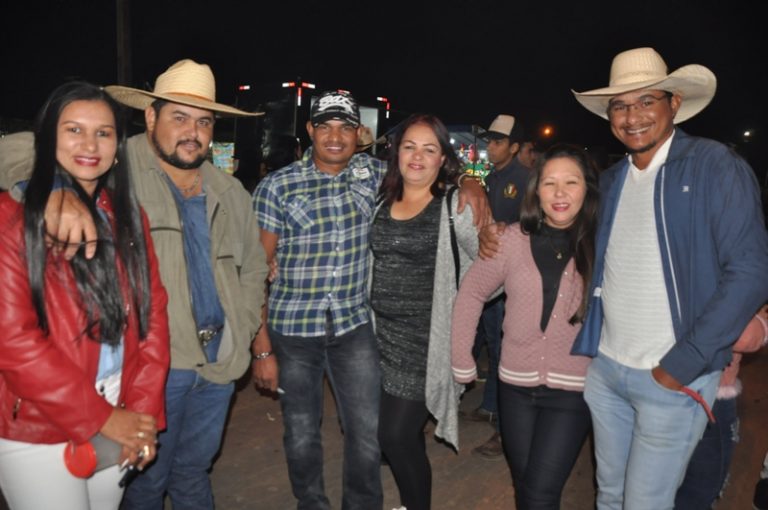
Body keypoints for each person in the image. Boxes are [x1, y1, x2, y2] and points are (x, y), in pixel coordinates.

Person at [0, 59, 269, 509]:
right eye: (179, 117)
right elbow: (18, 147)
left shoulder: (231, 192)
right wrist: (52, 185)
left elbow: (253, 268)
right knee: (144, 486)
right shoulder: (115, 165)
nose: (192, 131)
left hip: (217, 366)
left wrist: (243, 334)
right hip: (154, 368)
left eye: (204, 121)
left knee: (193, 472)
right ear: (150, 116)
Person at [252, 91, 489, 510]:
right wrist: (262, 347)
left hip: (354, 327)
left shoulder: (374, 175)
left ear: (359, 133)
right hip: (294, 330)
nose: (335, 137)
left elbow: (425, 171)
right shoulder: (277, 185)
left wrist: (473, 183)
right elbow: (256, 272)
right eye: (325, 127)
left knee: (367, 431)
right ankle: (312, 503)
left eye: (345, 127)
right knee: (302, 431)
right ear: (310, 130)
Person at [570, 47, 768, 509]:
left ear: (674, 103)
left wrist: (682, 365)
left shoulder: (714, 166)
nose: (632, 116)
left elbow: (751, 271)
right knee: (610, 497)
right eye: (620, 105)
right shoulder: (612, 180)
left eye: (646, 101)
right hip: (608, 373)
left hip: (672, 377)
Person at [0, 81, 170, 510]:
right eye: (73, 129)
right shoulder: (11, 218)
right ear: (46, 138)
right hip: (38, 420)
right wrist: (103, 418)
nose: (90, 144)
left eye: (104, 132)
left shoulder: (128, 216)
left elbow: (152, 317)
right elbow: (14, 343)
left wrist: (141, 417)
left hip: (121, 403)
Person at [452, 143, 599, 509]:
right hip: (514, 387)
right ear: (536, 190)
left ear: (588, 189)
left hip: (573, 390)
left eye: (571, 182)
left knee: (540, 493)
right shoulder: (510, 239)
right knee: (525, 486)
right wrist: (461, 358)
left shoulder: (603, 244)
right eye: (550, 183)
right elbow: (472, 292)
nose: (560, 193)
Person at [371, 114, 479, 510]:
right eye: (409, 147)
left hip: (426, 344)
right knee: (395, 434)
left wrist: (461, 309)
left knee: (396, 436)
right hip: (377, 339)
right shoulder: (380, 199)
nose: (417, 157)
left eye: (429, 149)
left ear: (442, 159)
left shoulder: (456, 206)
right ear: (396, 152)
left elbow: (491, 270)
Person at [464, 114, 534, 459]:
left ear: (515, 147)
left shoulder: (526, 180)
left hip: (514, 281)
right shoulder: (490, 178)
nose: (490, 147)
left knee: (508, 355)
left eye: (498, 142)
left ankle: (507, 433)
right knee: (495, 347)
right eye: (489, 141)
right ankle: (491, 406)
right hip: (492, 279)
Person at [675, 303, 768, 509]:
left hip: (657, 378)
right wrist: (762, 324)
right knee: (703, 482)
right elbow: (746, 337)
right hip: (709, 386)